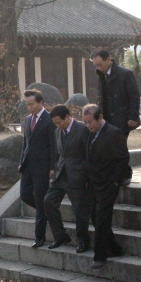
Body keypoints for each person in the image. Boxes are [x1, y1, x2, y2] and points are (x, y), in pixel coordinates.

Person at [82, 105, 129, 269]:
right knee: (95, 216)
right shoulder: (91, 133)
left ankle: (100, 256)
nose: (88, 125)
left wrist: (116, 181)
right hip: (94, 182)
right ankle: (115, 248)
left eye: (90, 122)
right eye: (85, 122)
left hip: (108, 182)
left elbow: (123, 158)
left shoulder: (113, 133)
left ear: (100, 118)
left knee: (102, 217)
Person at [43, 105, 91, 252]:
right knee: (48, 202)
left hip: (77, 176)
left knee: (79, 211)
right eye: (55, 123)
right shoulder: (57, 132)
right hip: (60, 175)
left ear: (68, 117)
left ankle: (83, 241)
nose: (58, 125)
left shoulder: (82, 129)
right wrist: (53, 168)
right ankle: (60, 236)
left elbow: (89, 153)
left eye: (59, 122)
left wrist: (84, 172)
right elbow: (58, 153)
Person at [91, 49, 141, 185]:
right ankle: (113, 174)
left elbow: (134, 96)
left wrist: (133, 116)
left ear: (108, 60)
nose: (98, 67)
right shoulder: (101, 75)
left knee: (120, 147)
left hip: (122, 117)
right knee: (109, 147)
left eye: (100, 64)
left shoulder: (125, 74)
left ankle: (125, 175)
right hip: (107, 118)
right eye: (95, 65)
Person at [18, 89, 56, 248]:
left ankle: (39, 237)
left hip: (42, 166)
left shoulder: (49, 119)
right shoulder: (27, 120)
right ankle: (46, 210)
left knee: (40, 200)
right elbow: (25, 143)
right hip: (27, 165)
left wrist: (52, 166)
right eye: (27, 105)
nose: (29, 107)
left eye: (32, 104)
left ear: (40, 102)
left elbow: (53, 145)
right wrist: (21, 161)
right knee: (25, 195)